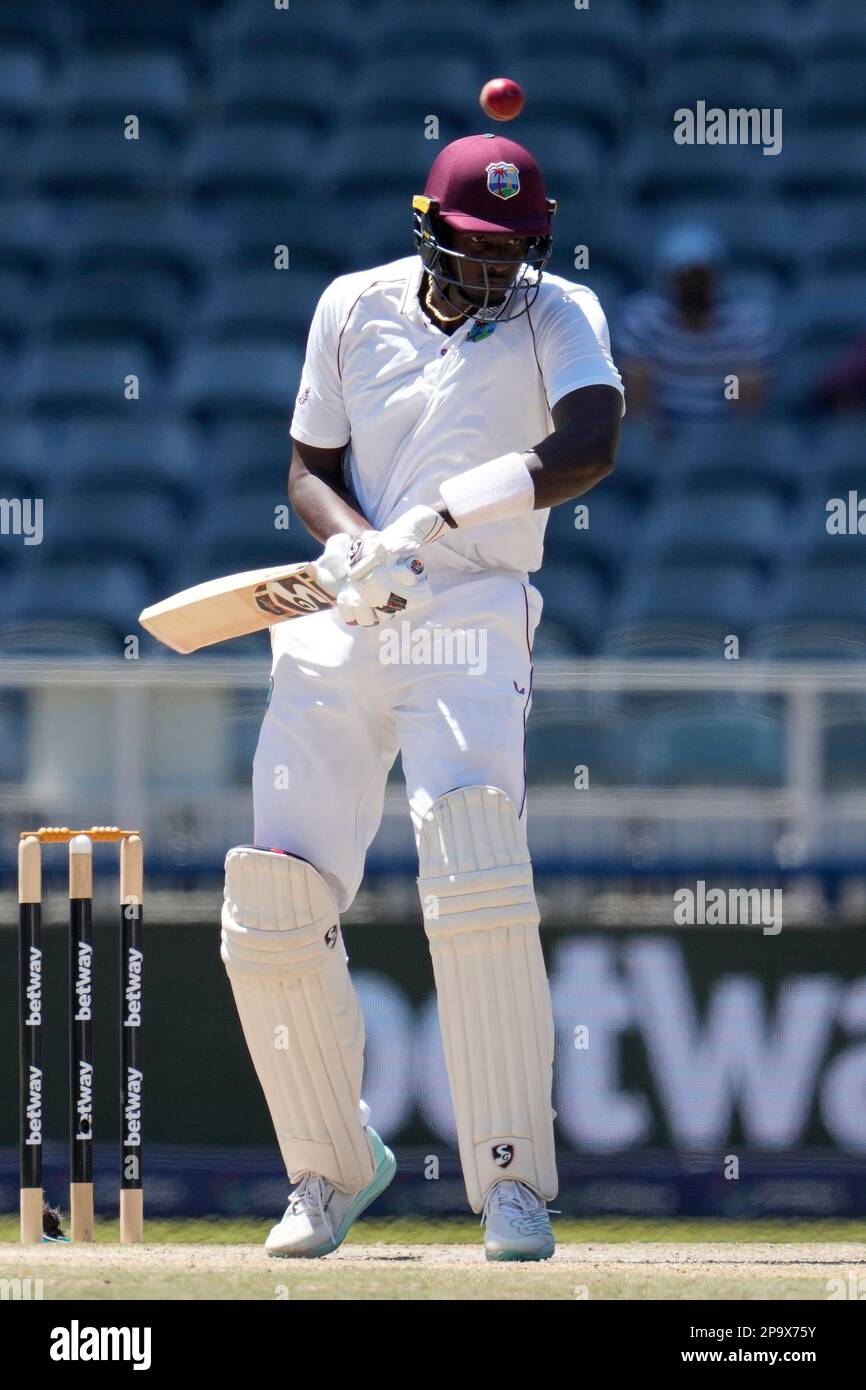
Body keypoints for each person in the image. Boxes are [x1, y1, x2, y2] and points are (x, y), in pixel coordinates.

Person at [219, 133, 624, 1261]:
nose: (499, 272)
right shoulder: (352, 306)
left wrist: (439, 517)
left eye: (515, 251)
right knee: (270, 900)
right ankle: (326, 1169)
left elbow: (590, 442)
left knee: (475, 866)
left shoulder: (560, 315)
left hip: (474, 609)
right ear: (429, 229)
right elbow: (306, 465)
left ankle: (509, 1183)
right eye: (478, 249)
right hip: (338, 621)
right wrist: (352, 548)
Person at [618, 223, 773, 428]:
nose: (693, 285)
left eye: (700, 276)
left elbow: (748, 403)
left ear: (717, 276)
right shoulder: (642, 319)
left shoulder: (749, 323)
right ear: (668, 278)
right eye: (684, 276)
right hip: (661, 430)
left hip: (725, 428)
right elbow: (638, 398)